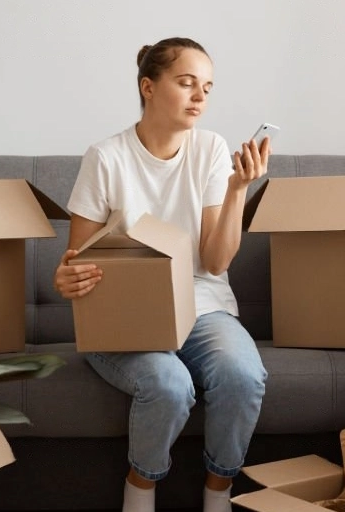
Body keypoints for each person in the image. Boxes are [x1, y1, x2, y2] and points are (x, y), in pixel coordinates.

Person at [53, 37, 269, 512]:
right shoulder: (106, 157)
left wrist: (238, 190)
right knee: (170, 385)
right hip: (126, 316)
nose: (200, 97)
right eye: (187, 82)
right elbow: (75, 260)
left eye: (207, 88)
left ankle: (218, 494)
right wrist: (67, 278)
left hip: (202, 306)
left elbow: (215, 264)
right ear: (148, 87)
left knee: (243, 376)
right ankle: (140, 490)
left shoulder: (210, 149)